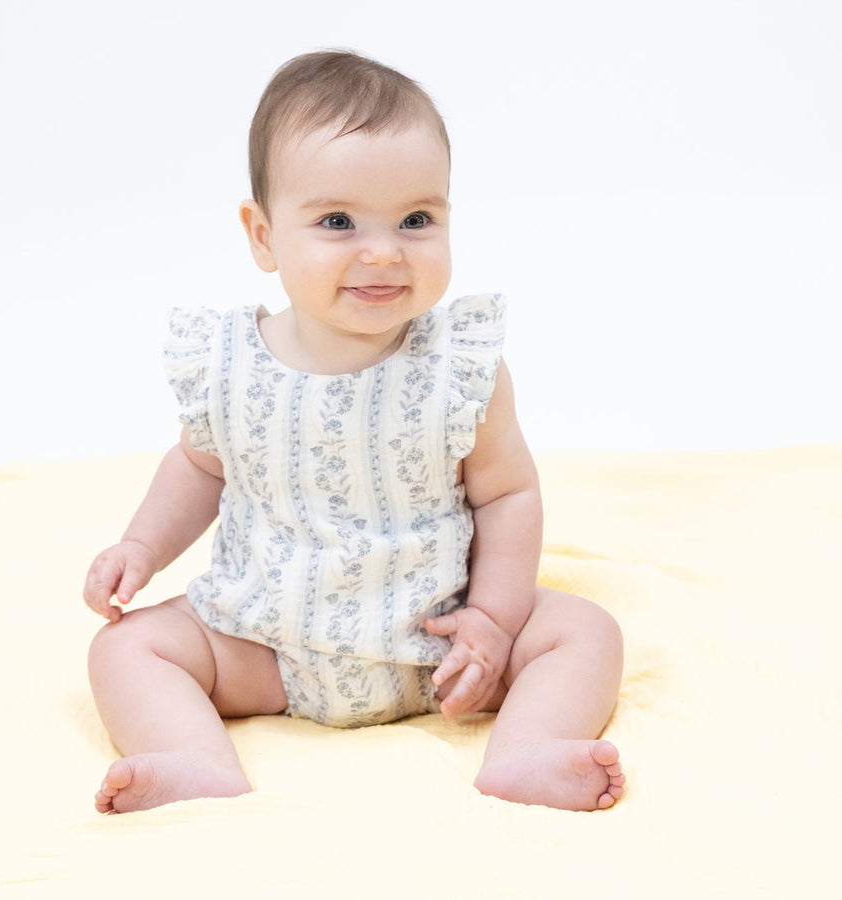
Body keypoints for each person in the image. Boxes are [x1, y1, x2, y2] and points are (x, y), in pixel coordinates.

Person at [84, 50, 625, 814]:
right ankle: (189, 757)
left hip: (438, 651)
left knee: (586, 632)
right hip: (265, 645)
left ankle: (529, 749)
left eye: (416, 220)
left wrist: (494, 623)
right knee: (127, 647)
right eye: (338, 222)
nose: (383, 250)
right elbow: (199, 470)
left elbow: (508, 495)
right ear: (264, 236)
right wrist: (139, 548)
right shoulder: (229, 364)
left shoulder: (461, 370)